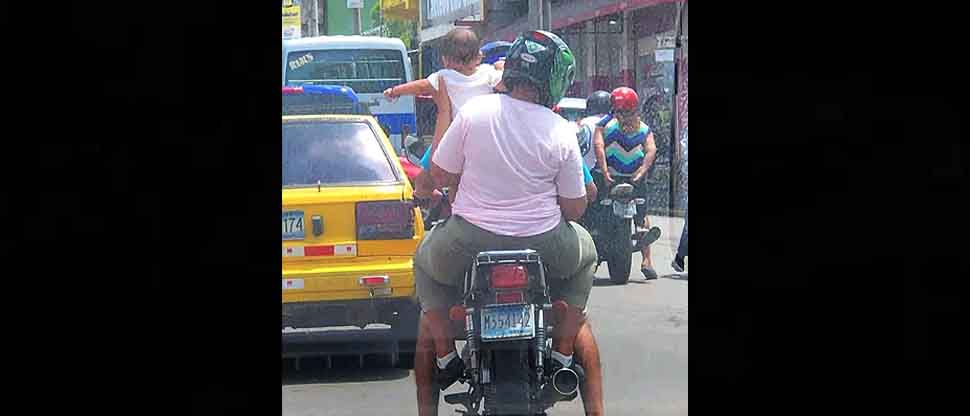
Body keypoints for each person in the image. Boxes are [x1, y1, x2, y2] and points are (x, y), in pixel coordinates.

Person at [412, 30, 604, 416]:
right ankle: (562, 353)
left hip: (468, 242)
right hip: (544, 245)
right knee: (586, 256)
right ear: (555, 81)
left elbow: (439, 173)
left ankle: (448, 356)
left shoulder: (474, 113)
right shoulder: (561, 130)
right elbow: (575, 208)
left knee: (423, 262)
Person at [383, 28, 504, 203]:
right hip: (484, 138)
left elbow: (421, 86)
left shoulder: (444, 77)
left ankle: (444, 207)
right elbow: (505, 82)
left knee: (428, 183)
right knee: (451, 183)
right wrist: (502, 67)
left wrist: (395, 91)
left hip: (451, 137)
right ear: (478, 56)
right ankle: (450, 208)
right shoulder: (488, 73)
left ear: (445, 60)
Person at [592, 87, 661, 280]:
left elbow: (598, 146)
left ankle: (594, 245)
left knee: (595, 208)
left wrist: (605, 172)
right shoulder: (643, 127)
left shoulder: (604, 124)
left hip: (610, 178)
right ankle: (646, 259)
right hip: (634, 178)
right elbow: (651, 150)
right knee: (642, 213)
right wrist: (641, 171)